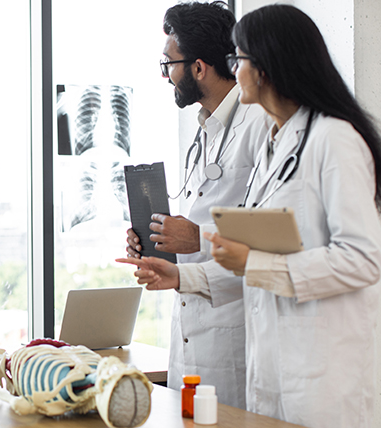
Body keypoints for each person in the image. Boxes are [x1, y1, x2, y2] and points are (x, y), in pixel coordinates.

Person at [127, 5, 381, 427]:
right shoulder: (277, 145)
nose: (233, 70)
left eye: (238, 60)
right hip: (271, 365)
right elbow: (258, 248)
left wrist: (252, 261)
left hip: (323, 375)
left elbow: (363, 258)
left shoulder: (334, 139)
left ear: (264, 67)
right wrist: (183, 276)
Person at [119, 2, 270, 409]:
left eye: (168, 64)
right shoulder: (204, 128)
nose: (166, 76)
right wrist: (156, 239)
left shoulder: (259, 124)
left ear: (199, 67)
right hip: (189, 323)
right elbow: (197, 218)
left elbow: (272, 233)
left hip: (235, 328)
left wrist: (196, 238)